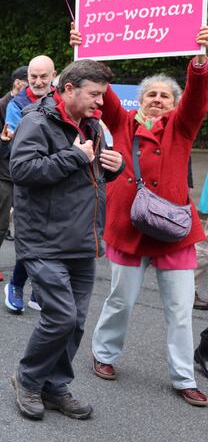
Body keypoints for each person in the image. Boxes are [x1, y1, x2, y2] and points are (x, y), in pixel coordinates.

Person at [71, 25, 208, 407]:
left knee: (181, 311)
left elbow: (197, 98)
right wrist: (83, 54)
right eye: (151, 94)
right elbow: (104, 94)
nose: (158, 100)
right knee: (121, 300)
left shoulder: (182, 126)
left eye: (165, 95)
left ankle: (183, 377)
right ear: (140, 101)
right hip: (129, 227)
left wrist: (199, 62)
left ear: (174, 102)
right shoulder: (123, 123)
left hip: (175, 233)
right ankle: (105, 354)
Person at [9, 59, 124, 421]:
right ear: (70, 89)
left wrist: (113, 166)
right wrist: (74, 156)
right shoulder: (36, 121)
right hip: (44, 240)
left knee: (75, 321)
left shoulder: (91, 124)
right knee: (60, 316)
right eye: (95, 94)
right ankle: (27, 380)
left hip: (81, 238)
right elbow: (22, 170)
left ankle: (54, 385)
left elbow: (92, 176)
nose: (100, 103)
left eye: (102, 96)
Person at [2, 56, 56, 292]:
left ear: (53, 75)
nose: (38, 81)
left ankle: (39, 290)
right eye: (33, 76)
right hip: (30, 176)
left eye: (43, 76)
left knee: (53, 240)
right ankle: (16, 284)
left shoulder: (63, 97)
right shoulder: (17, 103)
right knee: (30, 240)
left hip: (57, 174)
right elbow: (16, 141)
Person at [0, 67, 27, 281]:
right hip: (3, 173)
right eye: (26, 81)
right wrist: (7, 140)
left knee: (25, 223)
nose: (30, 86)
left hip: (23, 173)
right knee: (2, 223)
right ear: (16, 82)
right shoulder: (1, 105)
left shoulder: (32, 104)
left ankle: (25, 268)